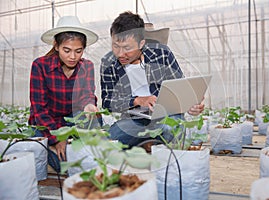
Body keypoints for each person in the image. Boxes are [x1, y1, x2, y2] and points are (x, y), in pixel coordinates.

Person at [100, 11, 204, 148]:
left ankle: (147, 142)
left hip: (165, 115)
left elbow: (180, 89)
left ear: (141, 43)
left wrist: (191, 104)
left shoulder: (162, 54)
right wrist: (137, 100)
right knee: (111, 138)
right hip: (133, 120)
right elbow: (108, 102)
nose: (120, 53)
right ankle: (150, 142)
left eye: (127, 48)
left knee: (169, 129)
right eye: (115, 46)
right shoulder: (108, 63)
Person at [28, 16, 101, 172]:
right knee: (62, 163)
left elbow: (87, 95)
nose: (73, 57)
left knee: (96, 133)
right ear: (56, 46)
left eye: (78, 51)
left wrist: (89, 105)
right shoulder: (40, 66)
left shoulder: (86, 66)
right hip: (46, 123)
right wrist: (57, 138)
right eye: (66, 50)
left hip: (71, 122)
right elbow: (39, 109)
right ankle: (56, 154)